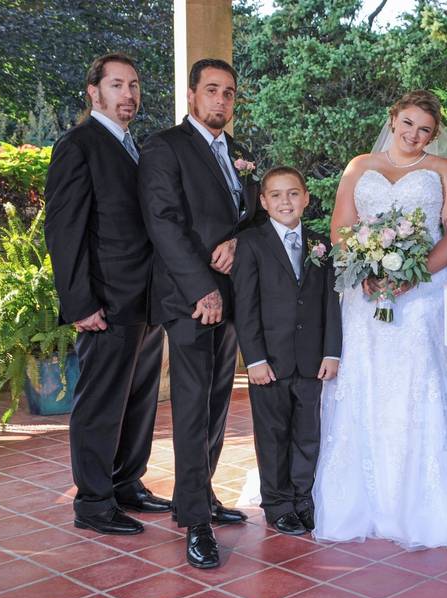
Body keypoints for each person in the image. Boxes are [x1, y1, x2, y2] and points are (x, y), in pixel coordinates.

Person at [314, 90, 447, 549]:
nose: (414, 135)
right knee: (370, 384)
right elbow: (341, 229)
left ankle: (433, 500)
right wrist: (366, 269)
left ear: (434, 135)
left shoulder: (444, 170)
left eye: (424, 129)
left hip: (426, 296)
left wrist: (413, 274)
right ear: (393, 119)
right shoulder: (358, 166)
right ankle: (369, 499)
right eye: (407, 123)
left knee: (424, 384)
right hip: (365, 297)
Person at [139, 58, 263, 569]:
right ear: (192, 95)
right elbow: (163, 224)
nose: (221, 100)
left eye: (229, 93)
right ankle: (194, 522)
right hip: (190, 299)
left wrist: (239, 240)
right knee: (191, 409)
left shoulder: (240, 154)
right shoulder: (164, 147)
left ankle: (204, 493)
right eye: (212, 90)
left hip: (231, 297)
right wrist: (201, 291)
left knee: (216, 404)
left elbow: (253, 218)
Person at [45, 53, 169, 536]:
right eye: (118, 85)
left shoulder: (133, 146)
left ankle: (125, 483)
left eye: (134, 85)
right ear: (93, 91)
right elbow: (65, 230)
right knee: (100, 403)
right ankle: (94, 502)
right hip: (106, 302)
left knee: (138, 399)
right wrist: (80, 303)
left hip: (146, 299)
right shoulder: (78, 145)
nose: (129, 95)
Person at [231, 167, 341, 536]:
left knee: (308, 433)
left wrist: (331, 352)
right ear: (263, 201)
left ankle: (303, 499)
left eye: (293, 194)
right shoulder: (251, 242)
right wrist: (255, 359)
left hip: (311, 359)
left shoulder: (319, 244)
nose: (285, 202)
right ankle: (277, 503)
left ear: (306, 197)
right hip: (271, 361)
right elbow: (245, 306)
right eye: (276, 195)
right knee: (273, 434)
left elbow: (330, 303)